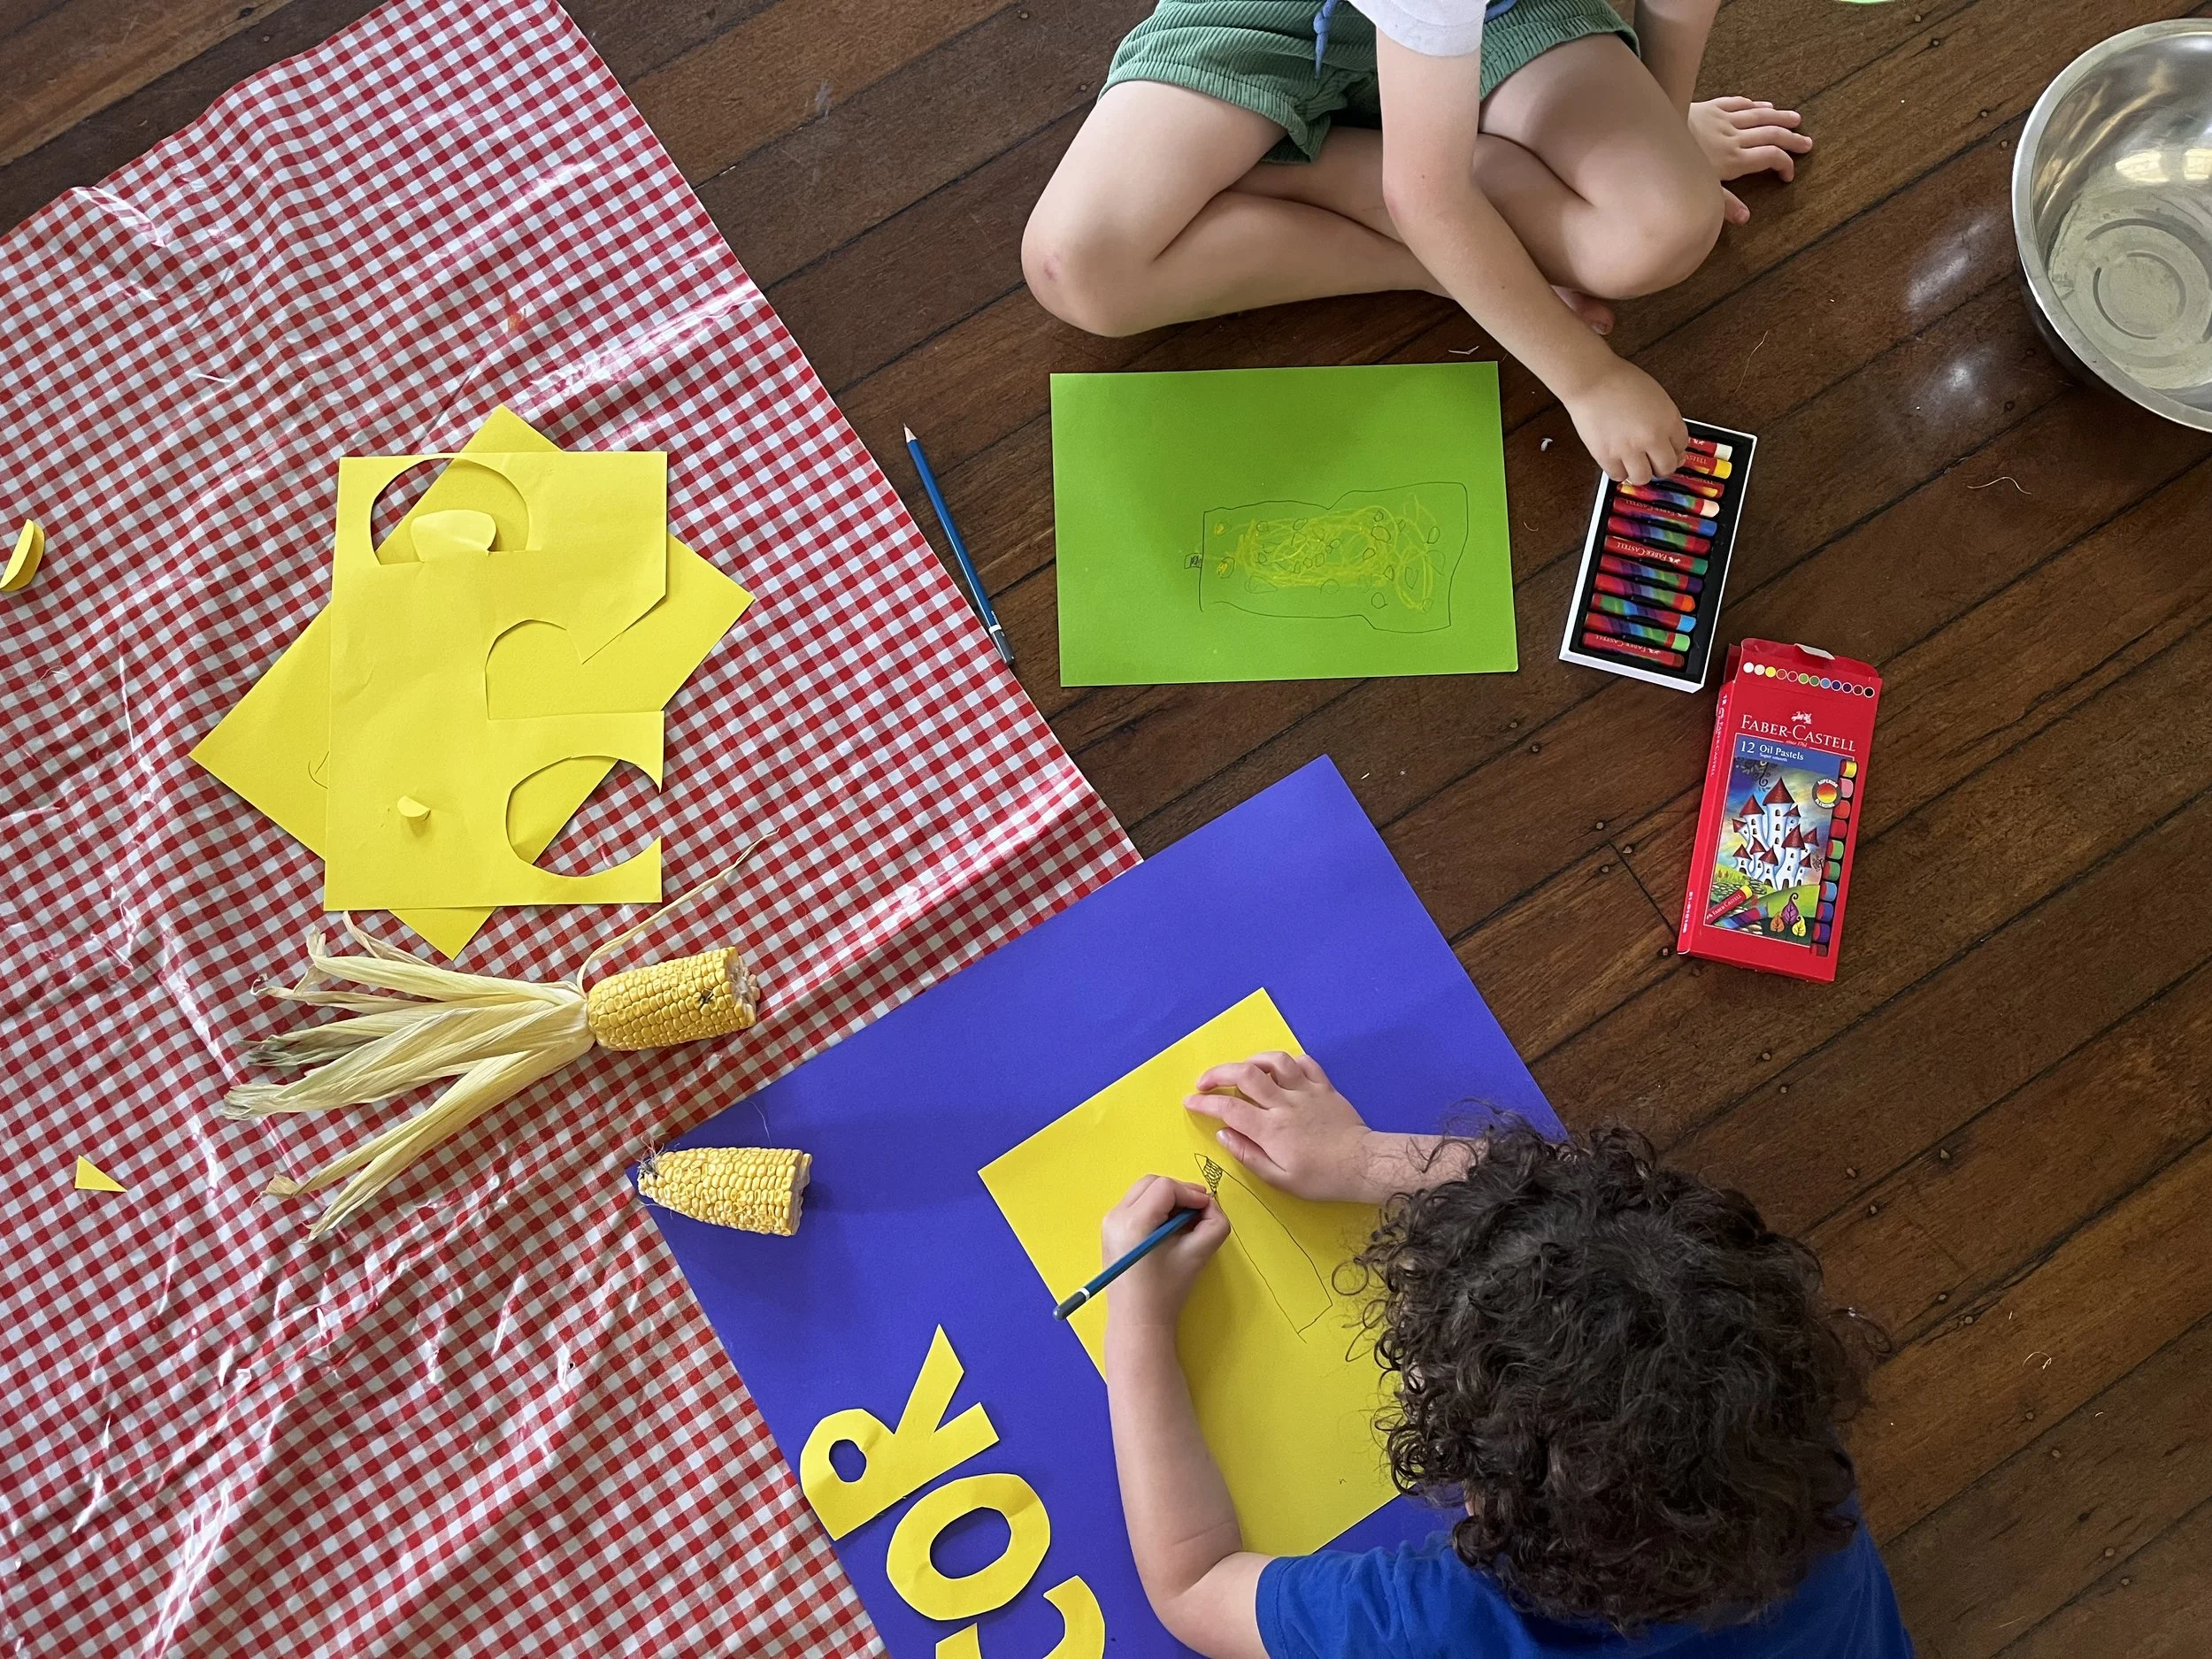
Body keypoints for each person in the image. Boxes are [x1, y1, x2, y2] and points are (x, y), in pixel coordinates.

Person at [1098, 1050, 1913, 1657]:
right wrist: (1358, 1157)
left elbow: (1194, 1586)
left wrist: (1135, 1317)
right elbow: (1596, 1200)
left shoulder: (1452, 1628)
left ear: (1489, 1500)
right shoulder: (1776, 1422)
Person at [1021, 2, 1812, 484]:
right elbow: (1426, 196)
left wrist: (1664, 127)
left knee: (1660, 231)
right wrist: (1590, 380)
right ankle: (1437, 242)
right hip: (1271, 15)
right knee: (1081, 268)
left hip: (1507, 18)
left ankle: (1368, 195)